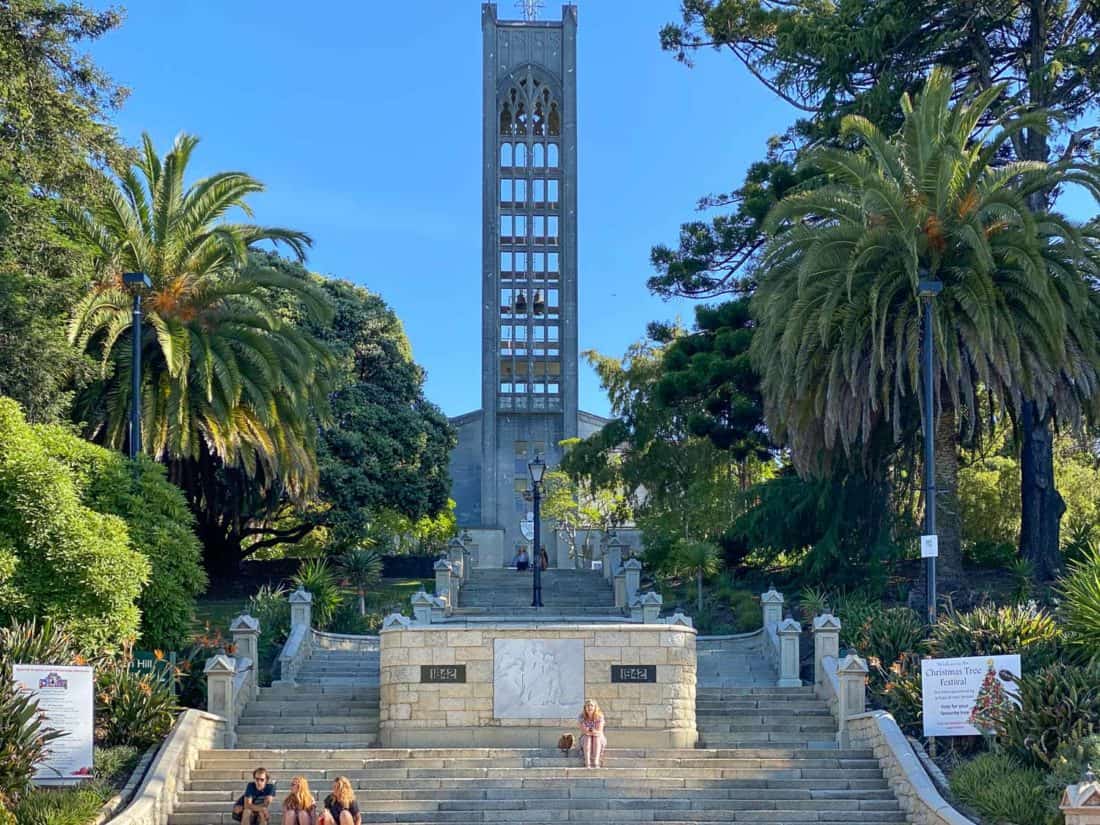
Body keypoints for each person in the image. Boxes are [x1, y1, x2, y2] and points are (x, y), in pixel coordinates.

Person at [578, 699, 607, 768]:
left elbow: (599, 731)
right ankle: (587, 761)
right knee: (587, 737)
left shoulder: (600, 716)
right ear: (585, 708)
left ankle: (596, 761)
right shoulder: (581, 717)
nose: (589, 707)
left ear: (595, 707)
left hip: (599, 739)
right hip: (585, 739)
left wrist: (589, 732)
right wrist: (591, 732)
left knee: (596, 737)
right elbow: (583, 730)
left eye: (591, 705)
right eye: (587, 706)